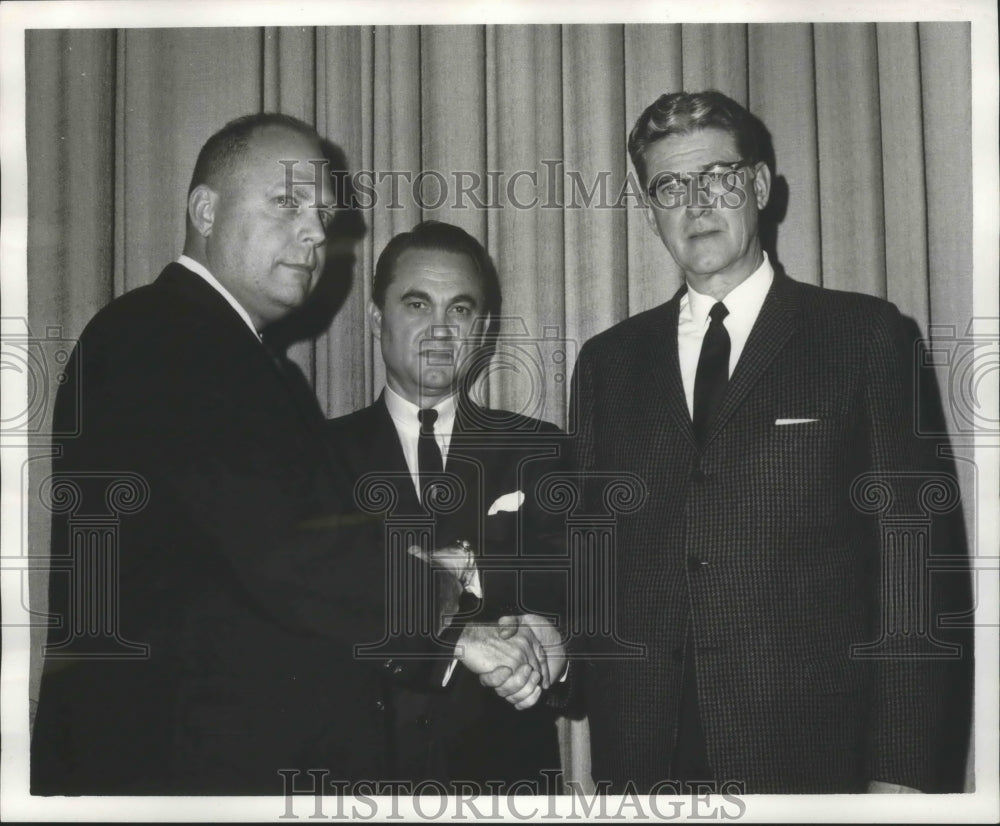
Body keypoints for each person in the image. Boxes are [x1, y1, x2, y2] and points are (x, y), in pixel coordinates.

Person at [30, 114, 535, 795]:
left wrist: (449, 632)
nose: (315, 234)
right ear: (205, 209)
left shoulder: (242, 361)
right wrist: (446, 600)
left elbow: (273, 552)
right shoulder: (167, 335)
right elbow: (287, 547)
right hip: (181, 773)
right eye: (287, 203)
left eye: (323, 215)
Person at [569, 90, 968, 794]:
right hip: (645, 765)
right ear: (650, 208)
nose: (696, 202)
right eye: (670, 185)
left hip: (813, 759)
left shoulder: (865, 338)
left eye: (717, 177)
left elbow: (917, 577)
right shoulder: (608, 363)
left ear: (758, 186)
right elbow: (590, 564)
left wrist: (902, 778)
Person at [327, 221, 568, 792]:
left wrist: (552, 651)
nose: (440, 330)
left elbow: (584, 584)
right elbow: (308, 608)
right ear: (375, 319)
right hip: (359, 780)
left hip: (507, 785)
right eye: (417, 303)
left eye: (460, 310)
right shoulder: (315, 456)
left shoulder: (541, 448)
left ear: (481, 329)